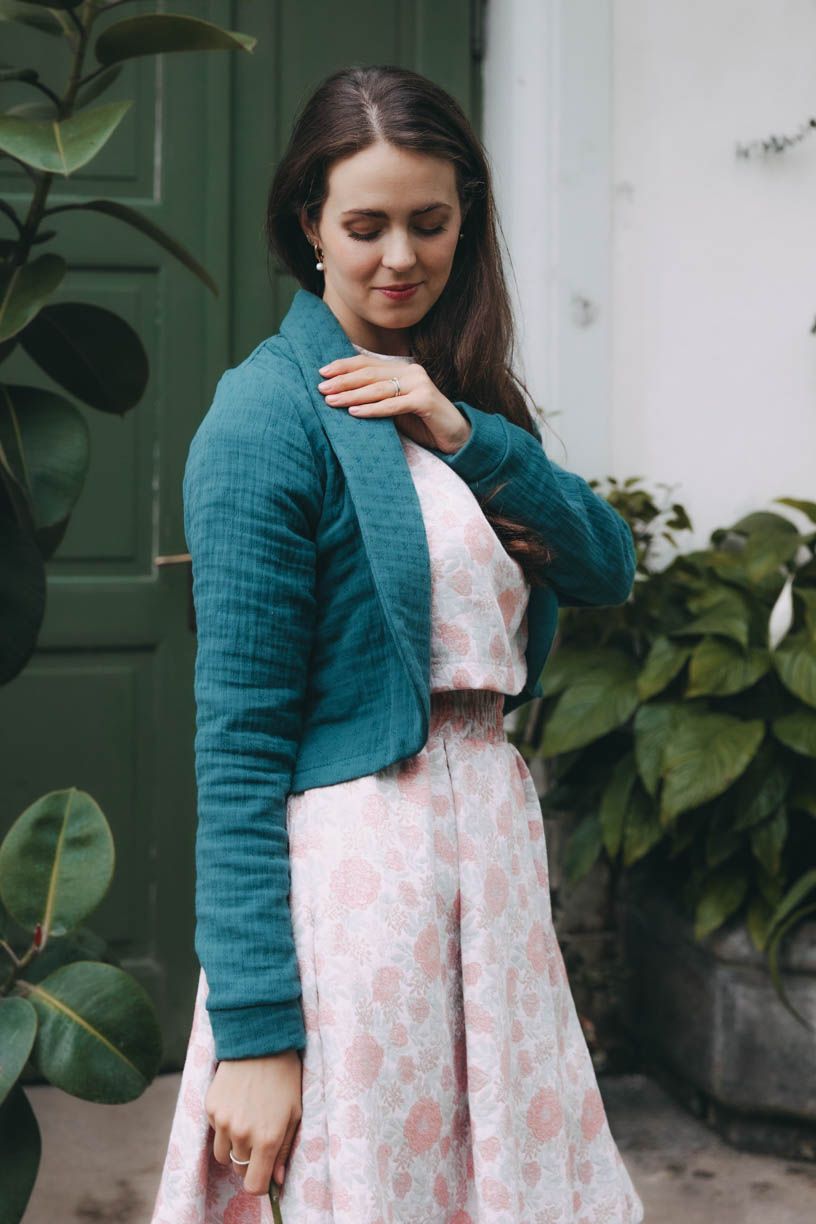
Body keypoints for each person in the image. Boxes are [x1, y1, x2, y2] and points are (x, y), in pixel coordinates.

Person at [150, 63, 645, 1224]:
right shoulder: (268, 415)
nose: (400, 258)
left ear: (466, 219)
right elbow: (239, 748)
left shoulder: (469, 402)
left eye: (430, 222)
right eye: (365, 225)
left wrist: (467, 432)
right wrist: (258, 1036)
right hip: (364, 891)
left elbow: (604, 566)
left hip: (495, 878)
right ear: (309, 224)